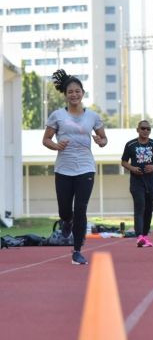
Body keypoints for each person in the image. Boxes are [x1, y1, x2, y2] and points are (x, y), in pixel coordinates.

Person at [42, 69, 108, 265]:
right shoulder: (57, 115)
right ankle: (66, 221)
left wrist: (100, 140)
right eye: (70, 91)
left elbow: (104, 139)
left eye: (77, 91)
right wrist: (56, 145)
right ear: (65, 94)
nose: (74, 95)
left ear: (83, 93)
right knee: (65, 210)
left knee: (81, 209)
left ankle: (77, 250)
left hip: (86, 168)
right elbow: (46, 139)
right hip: (63, 169)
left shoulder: (93, 117)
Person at [121, 120, 153, 247]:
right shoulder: (130, 145)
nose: (145, 131)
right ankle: (139, 235)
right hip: (137, 182)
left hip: (151, 183)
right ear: (138, 129)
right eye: (143, 128)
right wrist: (133, 168)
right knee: (140, 207)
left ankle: (145, 236)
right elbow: (123, 162)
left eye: (148, 129)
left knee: (149, 209)